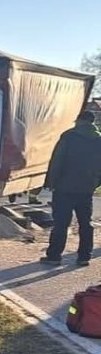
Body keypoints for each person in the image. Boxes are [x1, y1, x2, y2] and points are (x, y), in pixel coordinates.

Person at [41, 111, 101, 267]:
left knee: (61, 223)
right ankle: (84, 256)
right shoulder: (98, 139)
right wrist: (95, 183)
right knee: (85, 223)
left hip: (64, 187)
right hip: (86, 189)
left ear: (78, 121)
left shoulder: (68, 136)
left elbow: (57, 161)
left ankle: (54, 256)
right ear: (92, 122)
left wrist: (50, 182)